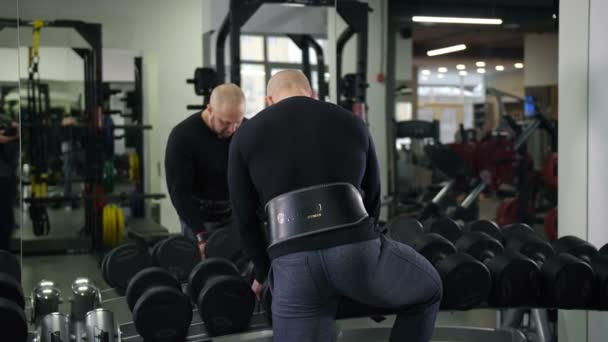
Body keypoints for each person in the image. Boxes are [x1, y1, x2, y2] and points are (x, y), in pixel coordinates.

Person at [228, 70, 442, 342]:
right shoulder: (351, 121)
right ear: (313, 93)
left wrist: (262, 273)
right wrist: (367, 272)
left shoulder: (246, 134)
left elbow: (244, 217)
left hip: (293, 264)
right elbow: (373, 197)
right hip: (356, 252)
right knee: (429, 289)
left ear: (270, 99)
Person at [165, 83, 245, 257]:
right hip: (199, 217)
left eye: (237, 122)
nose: (232, 130)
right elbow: (179, 192)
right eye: (225, 122)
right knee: (205, 272)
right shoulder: (183, 136)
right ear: (210, 109)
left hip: (234, 214)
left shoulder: (246, 130)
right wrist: (200, 234)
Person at [0, 114, 19, 251]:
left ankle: (4, 253)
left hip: (4, 176)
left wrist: (15, 134)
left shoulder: (5, 120)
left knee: (6, 219)